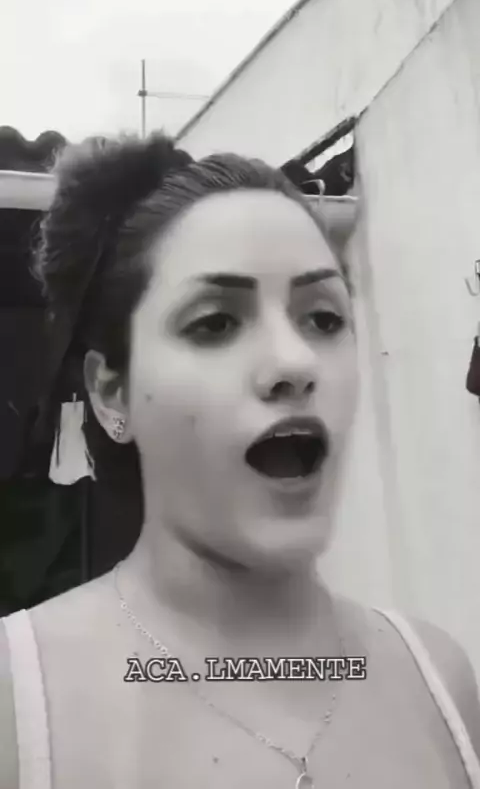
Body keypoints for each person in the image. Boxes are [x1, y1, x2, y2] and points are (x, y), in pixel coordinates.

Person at [1, 133, 480, 789]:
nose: (294, 362)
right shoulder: (17, 703)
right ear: (112, 393)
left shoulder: (440, 682)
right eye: (216, 323)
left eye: (323, 318)